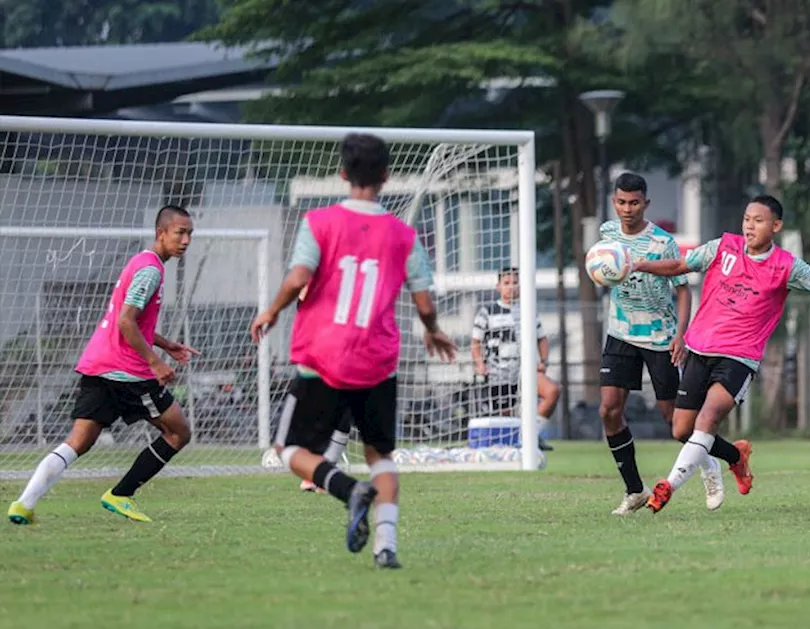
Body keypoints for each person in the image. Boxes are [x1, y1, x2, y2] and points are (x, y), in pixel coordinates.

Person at [250, 133, 456, 569]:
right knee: (381, 455)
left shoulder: (319, 223)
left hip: (323, 357)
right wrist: (433, 330)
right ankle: (386, 549)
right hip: (377, 361)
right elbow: (423, 301)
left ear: (343, 174)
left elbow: (297, 278)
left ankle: (346, 489)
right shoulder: (403, 235)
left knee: (288, 449)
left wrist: (271, 312)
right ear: (386, 176)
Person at [633, 195, 810, 513]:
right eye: (747, 219)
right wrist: (640, 265)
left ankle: (667, 486)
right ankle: (735, 457)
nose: (750, 225)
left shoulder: (787, 266)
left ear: (776, 226)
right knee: (683, 429)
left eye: (759, 220)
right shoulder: (722, 247)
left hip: (739, 356)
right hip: (699, 348)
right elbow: (680, 265)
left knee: (707, 418)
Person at [8, 205, 200, 525]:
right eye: (180, 232)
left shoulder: (141, 262)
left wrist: (167, 345)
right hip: (128, 372)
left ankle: (23, 504)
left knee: (79, 441)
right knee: (179, 431)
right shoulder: (151, 269)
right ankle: (121, 494)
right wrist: (155, 363)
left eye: (190, 234)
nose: (186, 240)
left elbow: (132, 322)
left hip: (98, 364)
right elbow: (126, 322)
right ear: (161, 233)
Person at [597, 172, 724, 515]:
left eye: (634, 202)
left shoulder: (663, 242)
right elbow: (600, 267)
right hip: (620, 333)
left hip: (660, 338)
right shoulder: (607, 235)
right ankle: (635, 490)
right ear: (614, 202)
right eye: (621, 202)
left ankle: (710, 465)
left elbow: (683, 290)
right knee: (609, 410)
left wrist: (680, 335)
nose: (627, 208)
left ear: (646, 203)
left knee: (675, 421)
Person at [471, 268, 558, 451]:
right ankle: (521, 441)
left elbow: (541, 338)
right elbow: (476, 341)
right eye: (507, 283)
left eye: (515, 282)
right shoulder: (487, 311)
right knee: (507, 416)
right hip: (498, 373)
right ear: (498, 287)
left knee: (552, 391)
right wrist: (479, 363)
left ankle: (531, 435)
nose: (512, 287)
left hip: (526, 370)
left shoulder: (528, 310)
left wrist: (544, 361)